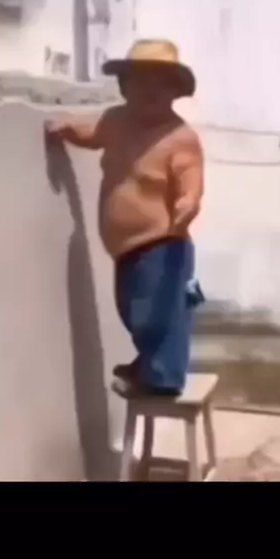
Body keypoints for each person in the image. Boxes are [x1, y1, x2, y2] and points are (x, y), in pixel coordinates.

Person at [45, 39, 204, 398]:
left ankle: (163, 378)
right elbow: (92, 134)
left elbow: (191, 182)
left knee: (159, 313)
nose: (150, 89)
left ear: (175, 91)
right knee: (132, 309)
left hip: (164, 243)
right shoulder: (116, 121)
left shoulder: (180, 138)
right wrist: (68, 130)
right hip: (127, 248)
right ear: (124, 86)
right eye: (140, 80)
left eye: (160, 82)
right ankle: (150, 362)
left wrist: (187, 205)